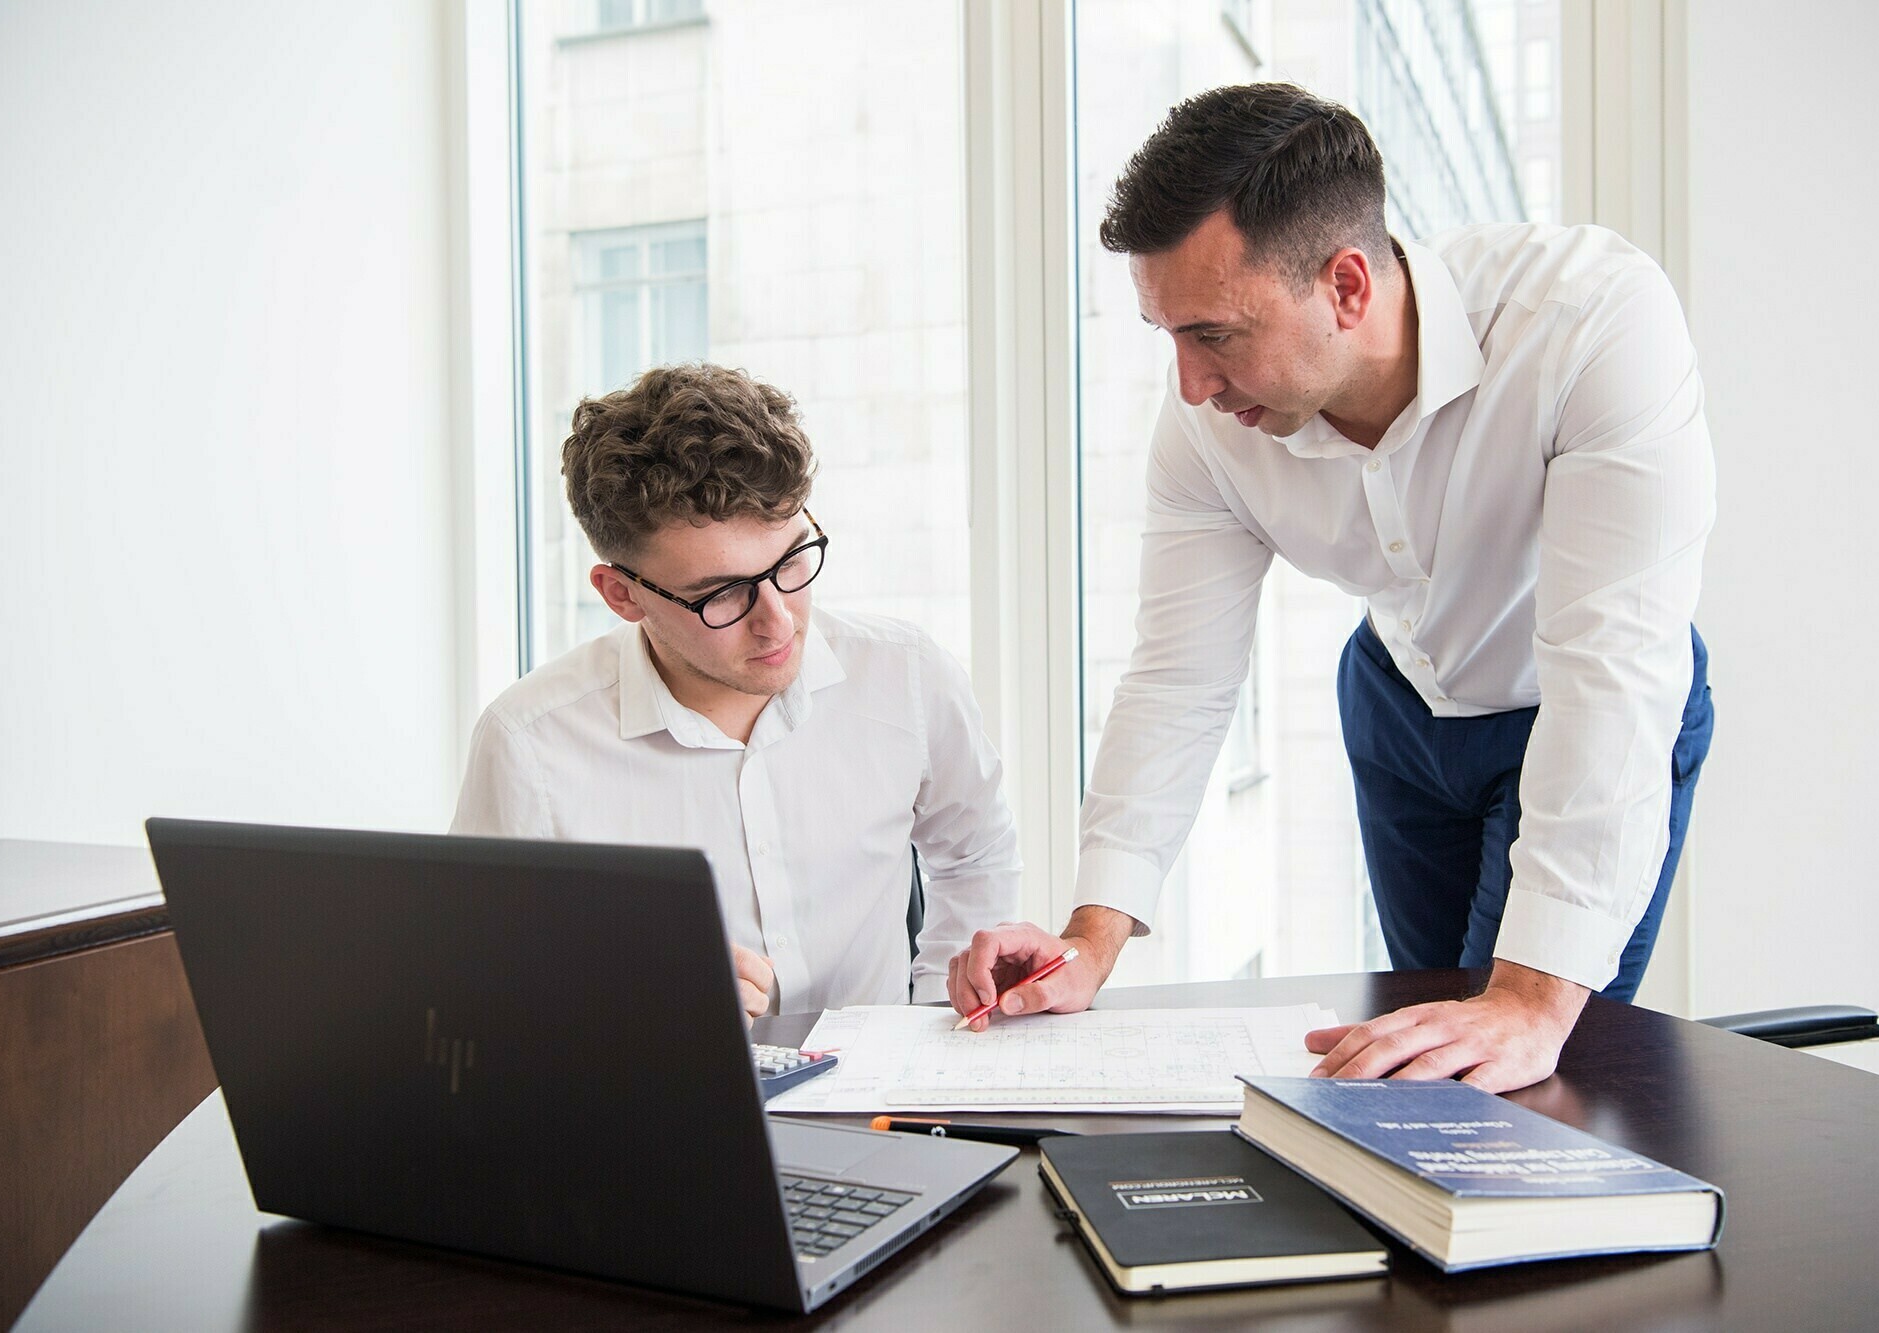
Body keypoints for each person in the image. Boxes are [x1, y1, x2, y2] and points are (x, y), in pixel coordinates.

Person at [947, 83, 1714, 1094]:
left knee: (1513, 1067)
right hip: (1396, 705)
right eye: (1166, 335)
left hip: (1571, 705)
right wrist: (1090, 939)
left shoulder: (1588, 321)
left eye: (1212, 334)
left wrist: (1531, 1001)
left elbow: (1610, 676)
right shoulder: (1205, 429)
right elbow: (1177, 680)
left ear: (1345, 286)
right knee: (1411, 1057)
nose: (1188, 385)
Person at [454, 363, 1020, 1024]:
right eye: (721, 593)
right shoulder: (530, 746)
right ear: (622, 594)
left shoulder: (907, 675)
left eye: (791, 561)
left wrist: (936, 1024)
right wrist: (629, 996)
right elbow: (481, 990)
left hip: (892, 1112)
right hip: (671, 1114)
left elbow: (977, 850)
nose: (778, 620)